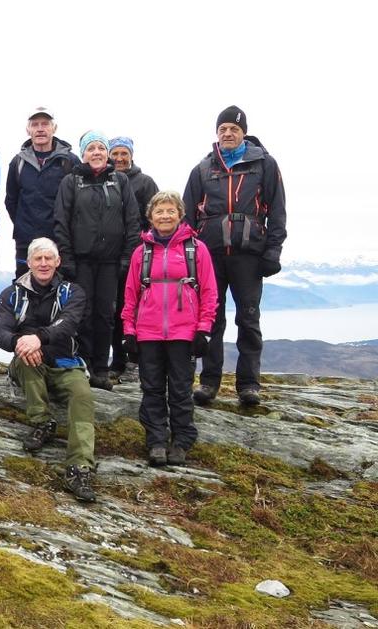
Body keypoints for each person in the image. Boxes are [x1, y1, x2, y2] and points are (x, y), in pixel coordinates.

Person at [184, 106, 286, 407]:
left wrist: (273, 251)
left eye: (234, 129)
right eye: (223, 129)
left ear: (243, 133)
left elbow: (277, 210)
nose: (228, 134)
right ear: (217, 134)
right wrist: (189, 256)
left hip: (249, 256)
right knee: (211, 320)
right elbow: (187, 216)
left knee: (248, 318)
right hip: (209, 256)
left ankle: (248, 385)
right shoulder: (203, 169)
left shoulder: (264, 165)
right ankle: (209, 382)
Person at [0, 238, 96, 502]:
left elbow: (68, 324)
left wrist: (38, 338)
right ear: (28, 263)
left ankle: (79, 466)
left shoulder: (72, 292)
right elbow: (0, 332)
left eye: (48, 258)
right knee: (28, 362)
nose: (43, 263)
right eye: (37, 259)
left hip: (65, 363)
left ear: (57, 261)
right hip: (28, 361)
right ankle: (42, 422)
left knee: (82, 396)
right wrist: (21, 343)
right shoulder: (11, 294)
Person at [121, 192, 218, 466]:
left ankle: (182, 441)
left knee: (180, 389)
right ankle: (156, 441)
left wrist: (204, 329)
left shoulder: (196, 250)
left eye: (170, 210)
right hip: (148, 333)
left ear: (180, 214)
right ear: (150, 217)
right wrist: (129, 330)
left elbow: (210, 292)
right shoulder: (142, 252)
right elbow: (131, 294)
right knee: (151, 388)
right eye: (159, 211)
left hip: (184, 333)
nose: (165, 216)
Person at [54, 130, 140, 391]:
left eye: (101, 148)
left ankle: (101, 368)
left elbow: (133, 221)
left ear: (107, 153)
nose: (96, 153)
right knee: (83, 314)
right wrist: (66, 258)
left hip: (111, 263)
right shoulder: (71, 182)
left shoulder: (120, 181)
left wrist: (128, 256)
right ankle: (84, 365)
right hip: (80, 262)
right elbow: (61, 222)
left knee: (106, 315)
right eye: (91, 148)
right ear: (83, 154)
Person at [107, 136, 159, 381]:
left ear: (131, 155)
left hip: (140, 257)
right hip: (110, 257)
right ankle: (118, 360)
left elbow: (155, 219)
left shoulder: (145, 183)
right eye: (114, 153)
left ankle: (137, 361)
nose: (119, 158)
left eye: (123, 153)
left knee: (138, 309)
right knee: (116, 310)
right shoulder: (104, 180)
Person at [5, 108, 81, 277]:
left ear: (54, 128)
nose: (40, 128)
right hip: (26, 242)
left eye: (45, 124)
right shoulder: (18, 163)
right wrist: (24, 225)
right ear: (28, 130)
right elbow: (11, 201)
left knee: (62, 293)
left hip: (61, 242)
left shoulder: (70, 161)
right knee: (24, 291)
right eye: (35, 124)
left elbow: (79, 203)